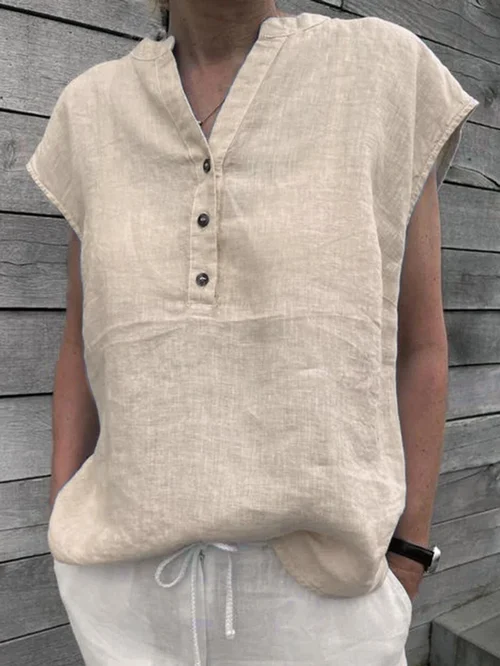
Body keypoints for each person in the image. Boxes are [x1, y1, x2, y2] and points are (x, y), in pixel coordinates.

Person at [25, 1, 480, 664]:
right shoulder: (88, 111)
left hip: (324, 608)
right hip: (124, 604)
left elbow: (423, 345)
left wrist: (408, 556)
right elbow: (80, 339)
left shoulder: (382, 73)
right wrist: (63, 526)